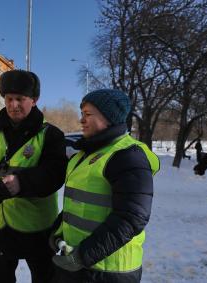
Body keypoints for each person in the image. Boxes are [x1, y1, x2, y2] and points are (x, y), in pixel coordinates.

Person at [0, 69, 67, 283]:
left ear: (34, 100)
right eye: (9, 99)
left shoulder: (51, 134)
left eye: (20, 99)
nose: (13, 105)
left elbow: (55, 175)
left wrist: (21, 183)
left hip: (37, 229)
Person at [50, 89, 160, 283]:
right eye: (82, 113)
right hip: (79, 263)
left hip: (110, 271)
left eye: (88, 114)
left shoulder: (128, 156)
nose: (81, 120)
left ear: (109, 117)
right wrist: (57, 230)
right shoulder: (85, 155)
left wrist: (83, 256)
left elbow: (131, 218)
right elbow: (78, 204)